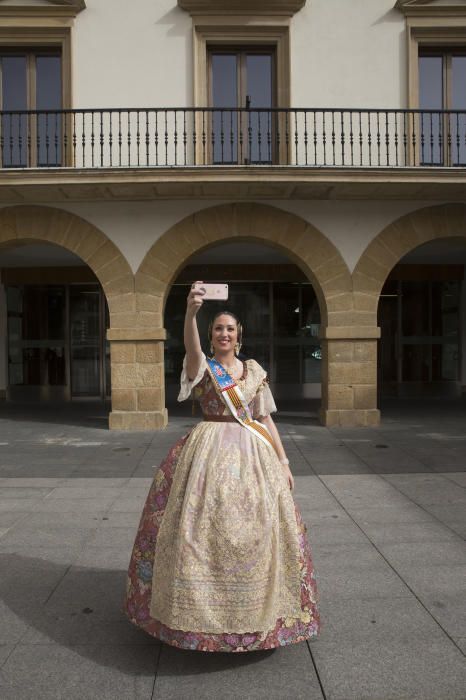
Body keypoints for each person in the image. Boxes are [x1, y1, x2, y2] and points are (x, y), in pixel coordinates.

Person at [124, 283, 320, 652]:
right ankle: (195, 614)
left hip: (253, 453)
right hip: (208, 449)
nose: (224, 334)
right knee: (199, 528)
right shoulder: (202, 367)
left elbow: (264, 418)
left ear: (238, 337)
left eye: (230, 329)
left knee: (258, 527)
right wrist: (191, 312)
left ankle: (262, 613)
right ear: (212, 337)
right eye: (218, 329)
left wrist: (284, 460)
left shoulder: (254, 371)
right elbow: (191, 348)